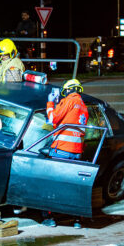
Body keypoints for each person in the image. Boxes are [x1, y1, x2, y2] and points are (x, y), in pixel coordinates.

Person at [43, 79, 89, 227]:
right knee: (73, 186)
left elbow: (52, 118)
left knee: (54, 185)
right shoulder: (83, 107)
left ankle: (51, 218)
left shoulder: (68, 101)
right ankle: (77, 220)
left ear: (68, 90)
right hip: (76, 152)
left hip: (61, 149)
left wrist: (50, 104)